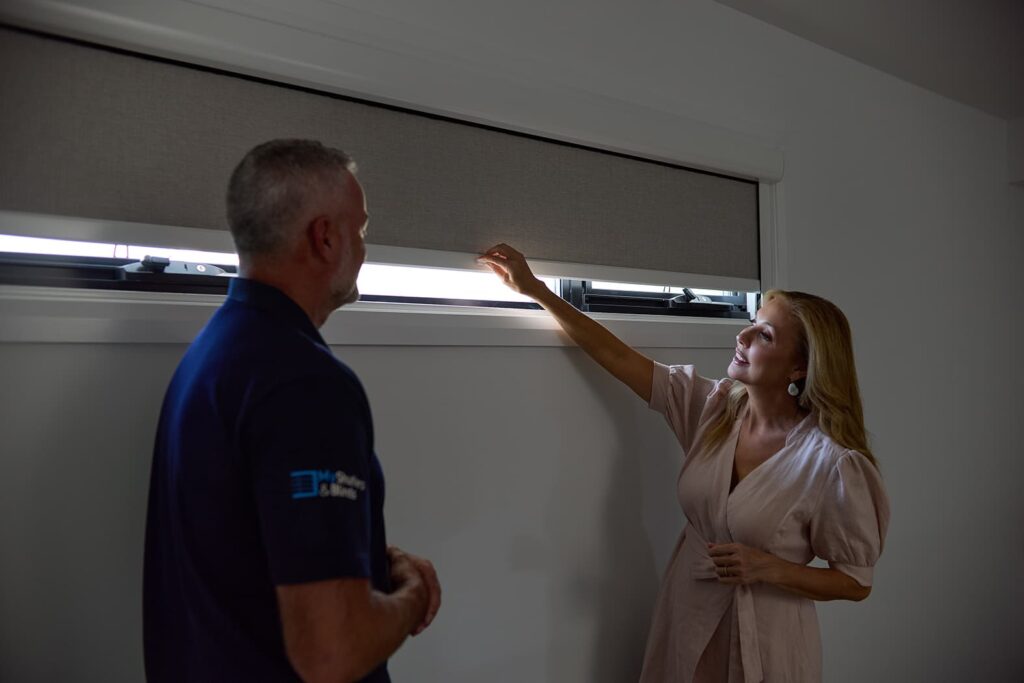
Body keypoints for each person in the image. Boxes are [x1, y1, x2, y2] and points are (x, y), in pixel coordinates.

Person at [478, 243, 889, 683]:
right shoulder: (711, 409)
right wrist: (537, 290)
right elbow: (617, 358)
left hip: (769, 641)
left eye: (765, 336)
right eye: (751, 325)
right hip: (686, 612)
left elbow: (855, 582)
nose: (743, 338)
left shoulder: (831, 464)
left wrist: (769, 567)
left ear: (799, 369)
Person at [144, 139, 440, 683]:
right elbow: (333, 654)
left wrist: (365, 556)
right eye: (363, 230)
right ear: (326, 237)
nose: (365, 248)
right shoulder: (306, 385)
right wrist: (412, 595)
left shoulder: (213, 356)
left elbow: (245, 538)